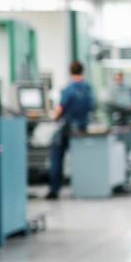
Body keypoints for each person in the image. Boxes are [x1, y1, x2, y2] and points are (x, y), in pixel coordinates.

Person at [46, 61, 94, 199]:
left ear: (70, 71)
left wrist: (54, 117)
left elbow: (60, 109)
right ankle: (84, 185)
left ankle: (54, 189)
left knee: (56, 153)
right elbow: (91, 107)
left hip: (68, 128)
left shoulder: (69, 89)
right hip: (82, 128)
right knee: (81, 158)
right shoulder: (88, 88)